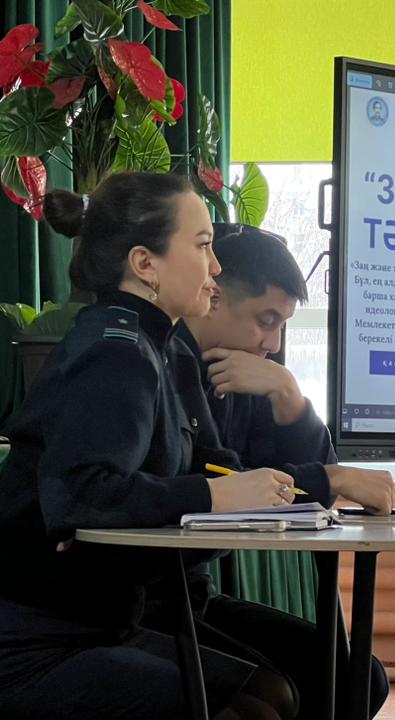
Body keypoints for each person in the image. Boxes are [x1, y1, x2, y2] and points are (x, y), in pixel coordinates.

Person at [0, 172, 299, 719]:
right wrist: (214, 496)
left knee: (274, 694)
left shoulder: (165, 348)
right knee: (252, 712)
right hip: (36, 637)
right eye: (203, 246)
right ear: (145, 264)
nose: (216, 267)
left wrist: (231, 489)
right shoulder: (115, 351)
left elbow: (216, 466)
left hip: (105, 620)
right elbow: (82, 494)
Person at [157, 223, 395, 719]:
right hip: (151, 602)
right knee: (276, 695)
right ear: (213, 296)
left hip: (195, 596)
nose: (273, 341)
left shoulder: (247, 374)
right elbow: (238, 487)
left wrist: (291, 399)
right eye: (266, 320)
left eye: (283, 324)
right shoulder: (162, 367)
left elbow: (312, 499)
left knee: (358, 679)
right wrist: (333, 478)